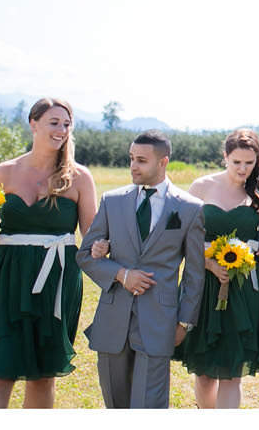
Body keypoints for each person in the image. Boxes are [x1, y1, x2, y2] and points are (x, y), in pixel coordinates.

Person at [0, 97, 98, 408]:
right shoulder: (4, 172)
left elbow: (92, 235)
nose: (61, 130)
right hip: (7, 278)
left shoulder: (79, 177)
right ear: (33, 124)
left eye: (66, 124)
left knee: (42, 376)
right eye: (54, 122)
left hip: (56, 280)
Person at [76, 130, 205, 409]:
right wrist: (121, 275)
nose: (133, 166)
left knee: (150, 405)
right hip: (112, 321)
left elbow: (194, 274)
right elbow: (85, 255)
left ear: (163, 162)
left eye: (142, 160)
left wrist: (185, 322)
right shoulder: (112, 201)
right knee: (116, 404)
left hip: (160, 322)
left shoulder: (190, 208)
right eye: (131, 158)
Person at [174, 129, 259, 407]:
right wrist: (208, 263)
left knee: (233, 372)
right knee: (204, 373)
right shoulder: (201, 187)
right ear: (225, 157)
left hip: (243, 286)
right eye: (236, 162)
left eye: (249, 163)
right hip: (204, 285)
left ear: (258, 161)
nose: (243, 169)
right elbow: (180, 236)